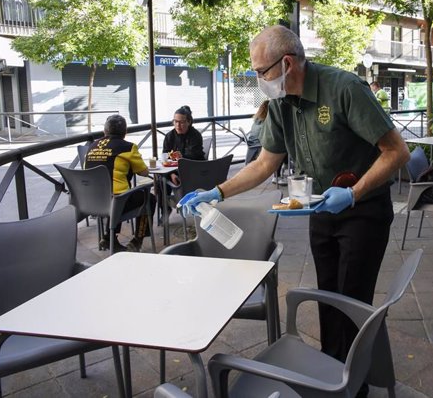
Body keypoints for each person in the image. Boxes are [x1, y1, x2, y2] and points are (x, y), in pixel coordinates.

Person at [183, 24, 410, 396]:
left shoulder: (344, 89)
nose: (258, 79)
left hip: (363, 210)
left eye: (260, 71)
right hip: (320, 208)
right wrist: (217, 192)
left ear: (287, 63)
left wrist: (353, 193)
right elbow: (264, 164)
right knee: (328, 296)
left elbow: (396, 153)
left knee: (351, 299)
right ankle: (330, 373)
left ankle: (352, 387)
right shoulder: (280, 102)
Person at [84, 114, 156, 252]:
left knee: (118, 191)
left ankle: (108, 237)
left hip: (92, 201)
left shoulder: (92, 146)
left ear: (104, 131)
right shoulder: (128, 147)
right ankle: (137, 241)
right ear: (125, 133)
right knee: (149, 199)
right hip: (115, 203)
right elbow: (144, 172)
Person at [162, 105, 205, 186]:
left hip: (193, 170)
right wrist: (171, 174)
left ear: (188, 122)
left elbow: (195, 156)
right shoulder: (169, 136)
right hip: (174, 170)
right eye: (176, 121)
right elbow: (165, 157)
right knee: (161, 179)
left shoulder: (195, 135)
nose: (178, 125)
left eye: (181, 122)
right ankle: (163, 199)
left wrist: (181, 156)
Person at [246, 100, 287, 184]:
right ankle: (278, 175)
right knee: (281, 149)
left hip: (253, 147)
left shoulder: (257, 120)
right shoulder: (267, 123)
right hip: (260, 148)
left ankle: (285, 168)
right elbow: (271, 141)